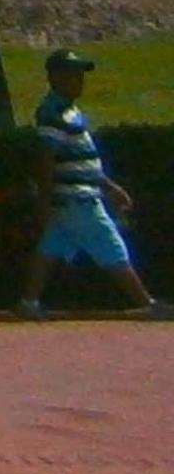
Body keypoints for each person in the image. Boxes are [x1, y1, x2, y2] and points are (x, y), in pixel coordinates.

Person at [19, 49, 162, 314]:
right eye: (72, 74)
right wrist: (45, 197)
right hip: (77, 199)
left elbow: (84, 161)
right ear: (55, 77)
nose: (79, 80)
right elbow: (46, 159)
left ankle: (29, 302)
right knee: (110, 245)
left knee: (50, 248)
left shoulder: (70, 111)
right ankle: (146, 304)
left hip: (74, 196)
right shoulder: (52, 112)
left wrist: (109, 186)